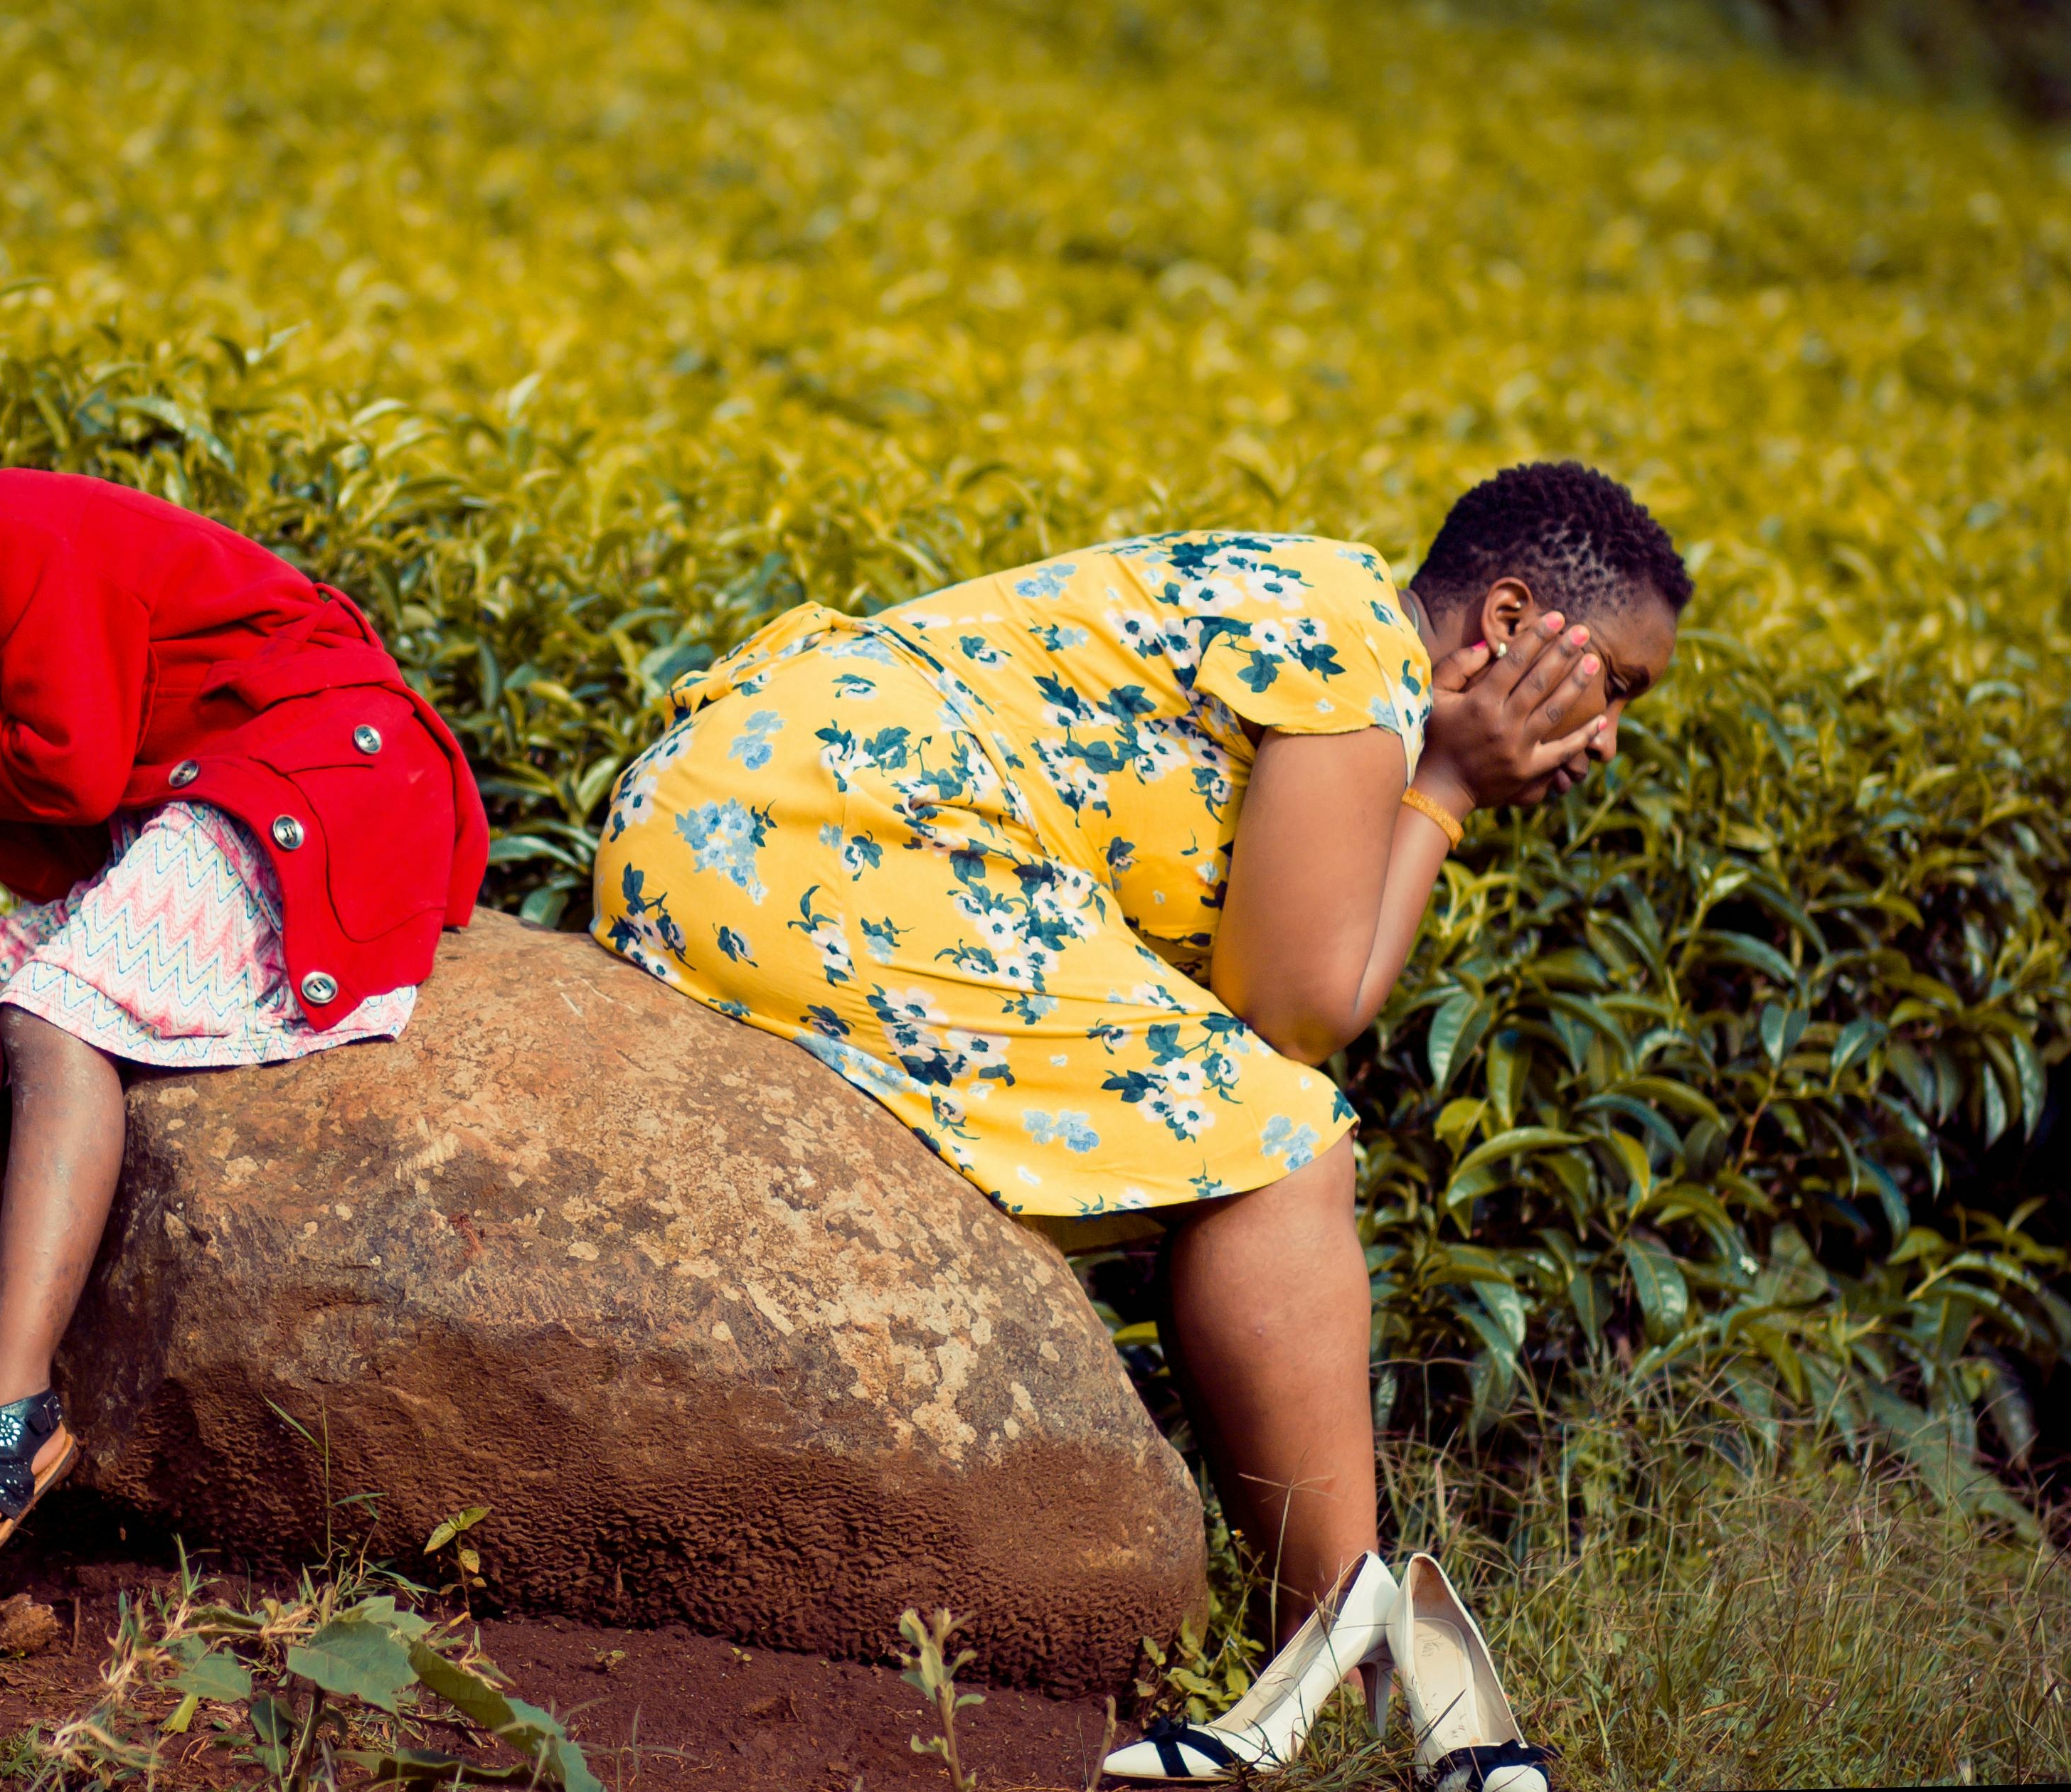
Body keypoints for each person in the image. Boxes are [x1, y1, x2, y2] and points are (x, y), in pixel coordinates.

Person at [589, 462, 1683, 1705]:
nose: (1604, 738)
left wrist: (1436, 784)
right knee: (1285, 1150)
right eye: (1618, 689)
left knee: (1255, 1126)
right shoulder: (1354, 638)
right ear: (1508, 624)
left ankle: (1338, 1657)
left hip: (737, 807)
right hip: (823, 832)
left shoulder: (1325, 611)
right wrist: (1446, 788)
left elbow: (1279, 1000)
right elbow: (1297, 1009)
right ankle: (1356, 1668)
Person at [0, 384, 488, 1591]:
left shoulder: (13, 531)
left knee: (48, 1010)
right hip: (210, 797)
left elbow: (69, 779)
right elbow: (75, 846)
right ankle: (34, 1390)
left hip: (317, 778)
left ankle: (3, 1400)